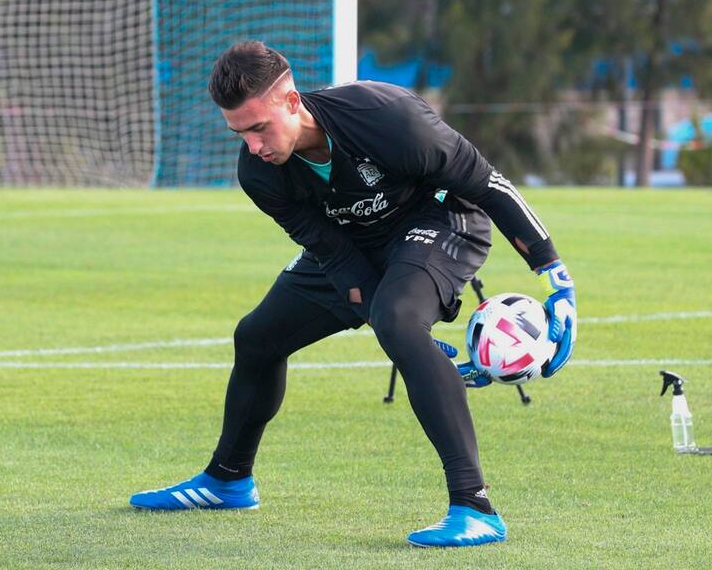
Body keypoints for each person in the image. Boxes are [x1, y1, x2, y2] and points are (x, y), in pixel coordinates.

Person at [129, 41, 577, 548]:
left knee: (400, 320)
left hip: (439, 220)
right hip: (352, 240)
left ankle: (475, 507)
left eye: (259, 127)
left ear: (292, 102)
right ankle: (229, 479)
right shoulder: (258, 173)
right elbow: (336, 257)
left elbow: (488, 184)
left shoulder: (387, 116)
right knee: (257, 337)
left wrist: (555, 278)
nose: (253, 145)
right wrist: (419, 354)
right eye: (239, 132)